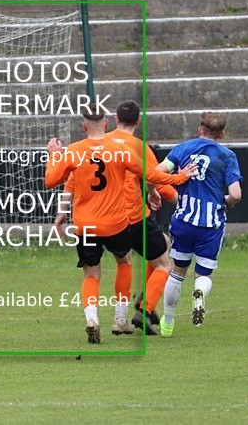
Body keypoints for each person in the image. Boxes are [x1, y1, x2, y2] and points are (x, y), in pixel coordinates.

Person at [45, 108, 196, 344]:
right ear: (106, 124)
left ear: (84, 127)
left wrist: (54, 154)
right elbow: (152, 176)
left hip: (85, 225)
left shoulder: (74, 152)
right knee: (125, 262)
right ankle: (120, 319)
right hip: (117, 222)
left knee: (91, 273)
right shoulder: (123, 150)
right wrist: (180, 178)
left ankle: (92, 319)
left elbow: (52, 181)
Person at [156, 112, 242, 337]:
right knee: (203, 274)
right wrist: (227, 201)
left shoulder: (183, 149)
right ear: (222, 134)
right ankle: (200, 293)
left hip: (184, 220)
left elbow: (156, 173)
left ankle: (168, 323)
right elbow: (236, 193)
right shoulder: (227, 156)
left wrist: (152, 193)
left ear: (199, 130)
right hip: (211, 224)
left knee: (177, 272)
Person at [106, 101, 180, 336]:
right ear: (138, 121)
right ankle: (144, 309)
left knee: (136, 257)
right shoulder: (139, 147)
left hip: (108, 218)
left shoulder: (101, 145)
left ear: (115, 119)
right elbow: (155, 178)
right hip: (135, 216)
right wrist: (177, 199)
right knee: (164, 263)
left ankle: (123, 316)